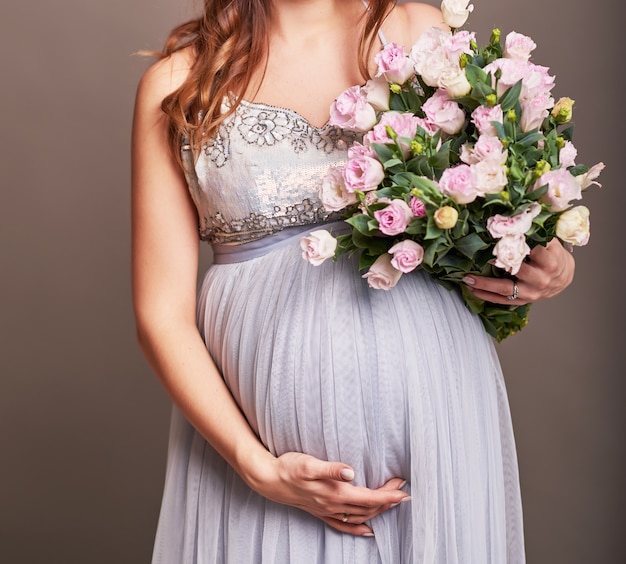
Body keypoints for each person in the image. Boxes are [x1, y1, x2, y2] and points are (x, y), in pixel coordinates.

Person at [131, 1, 575, 562]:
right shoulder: (181, 84)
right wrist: (256, 466)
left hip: (436, 413)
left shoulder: (421, 31)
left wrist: (551, 261)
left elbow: (503, 198)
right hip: (262, 456)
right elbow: (160, 315)